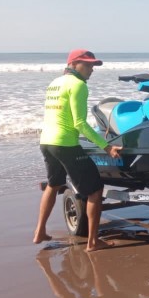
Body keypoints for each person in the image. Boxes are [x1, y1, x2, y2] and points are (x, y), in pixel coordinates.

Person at [33, 49, 122, 252]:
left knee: (53, 184)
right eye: (87, 65)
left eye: (92, 65)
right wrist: (106, 146)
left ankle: (40, 232)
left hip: (46, 142)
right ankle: (93, 241)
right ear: (73, 64)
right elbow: (80, 123)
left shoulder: (54, 83)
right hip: (65, 145)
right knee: (95, 190)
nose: (91, 69)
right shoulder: (78, 85)